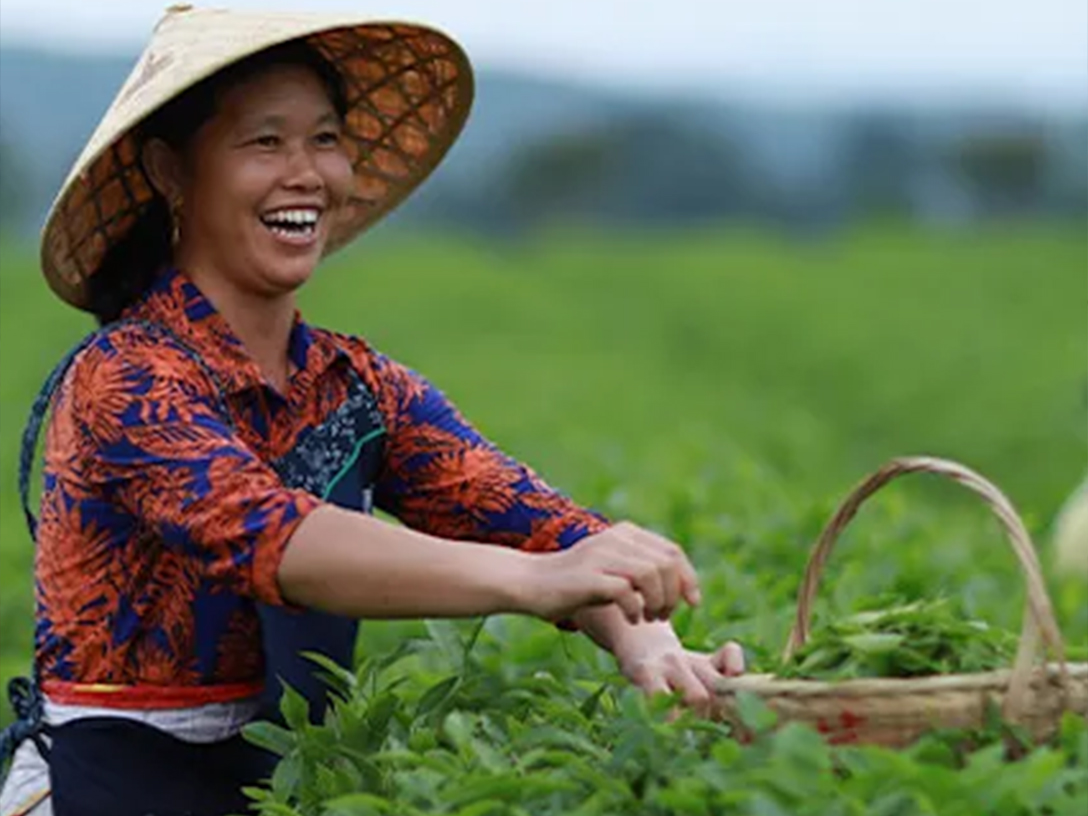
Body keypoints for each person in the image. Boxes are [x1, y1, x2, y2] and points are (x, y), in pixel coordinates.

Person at [0, 6, 744, 816]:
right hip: (109, 781)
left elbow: (530, 520)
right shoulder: (124, 378)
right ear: (171, 171)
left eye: (324, 139)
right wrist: (535, 582)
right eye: (265, 142)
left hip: (281, 781)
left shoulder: (357, 387)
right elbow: (276, 537)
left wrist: (651, 643)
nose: (305, 172)